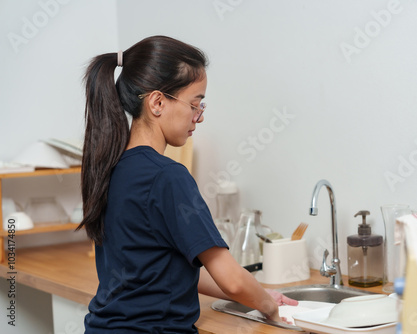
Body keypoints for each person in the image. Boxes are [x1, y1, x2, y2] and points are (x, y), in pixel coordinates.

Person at [77, 35, 297, 333]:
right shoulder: (167, 176)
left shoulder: (112, 167)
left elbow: (175, 271)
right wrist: (271, 309)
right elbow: (232, 279)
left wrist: (258, 296)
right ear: (157, 102)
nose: (199, 117)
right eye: (196, 103)